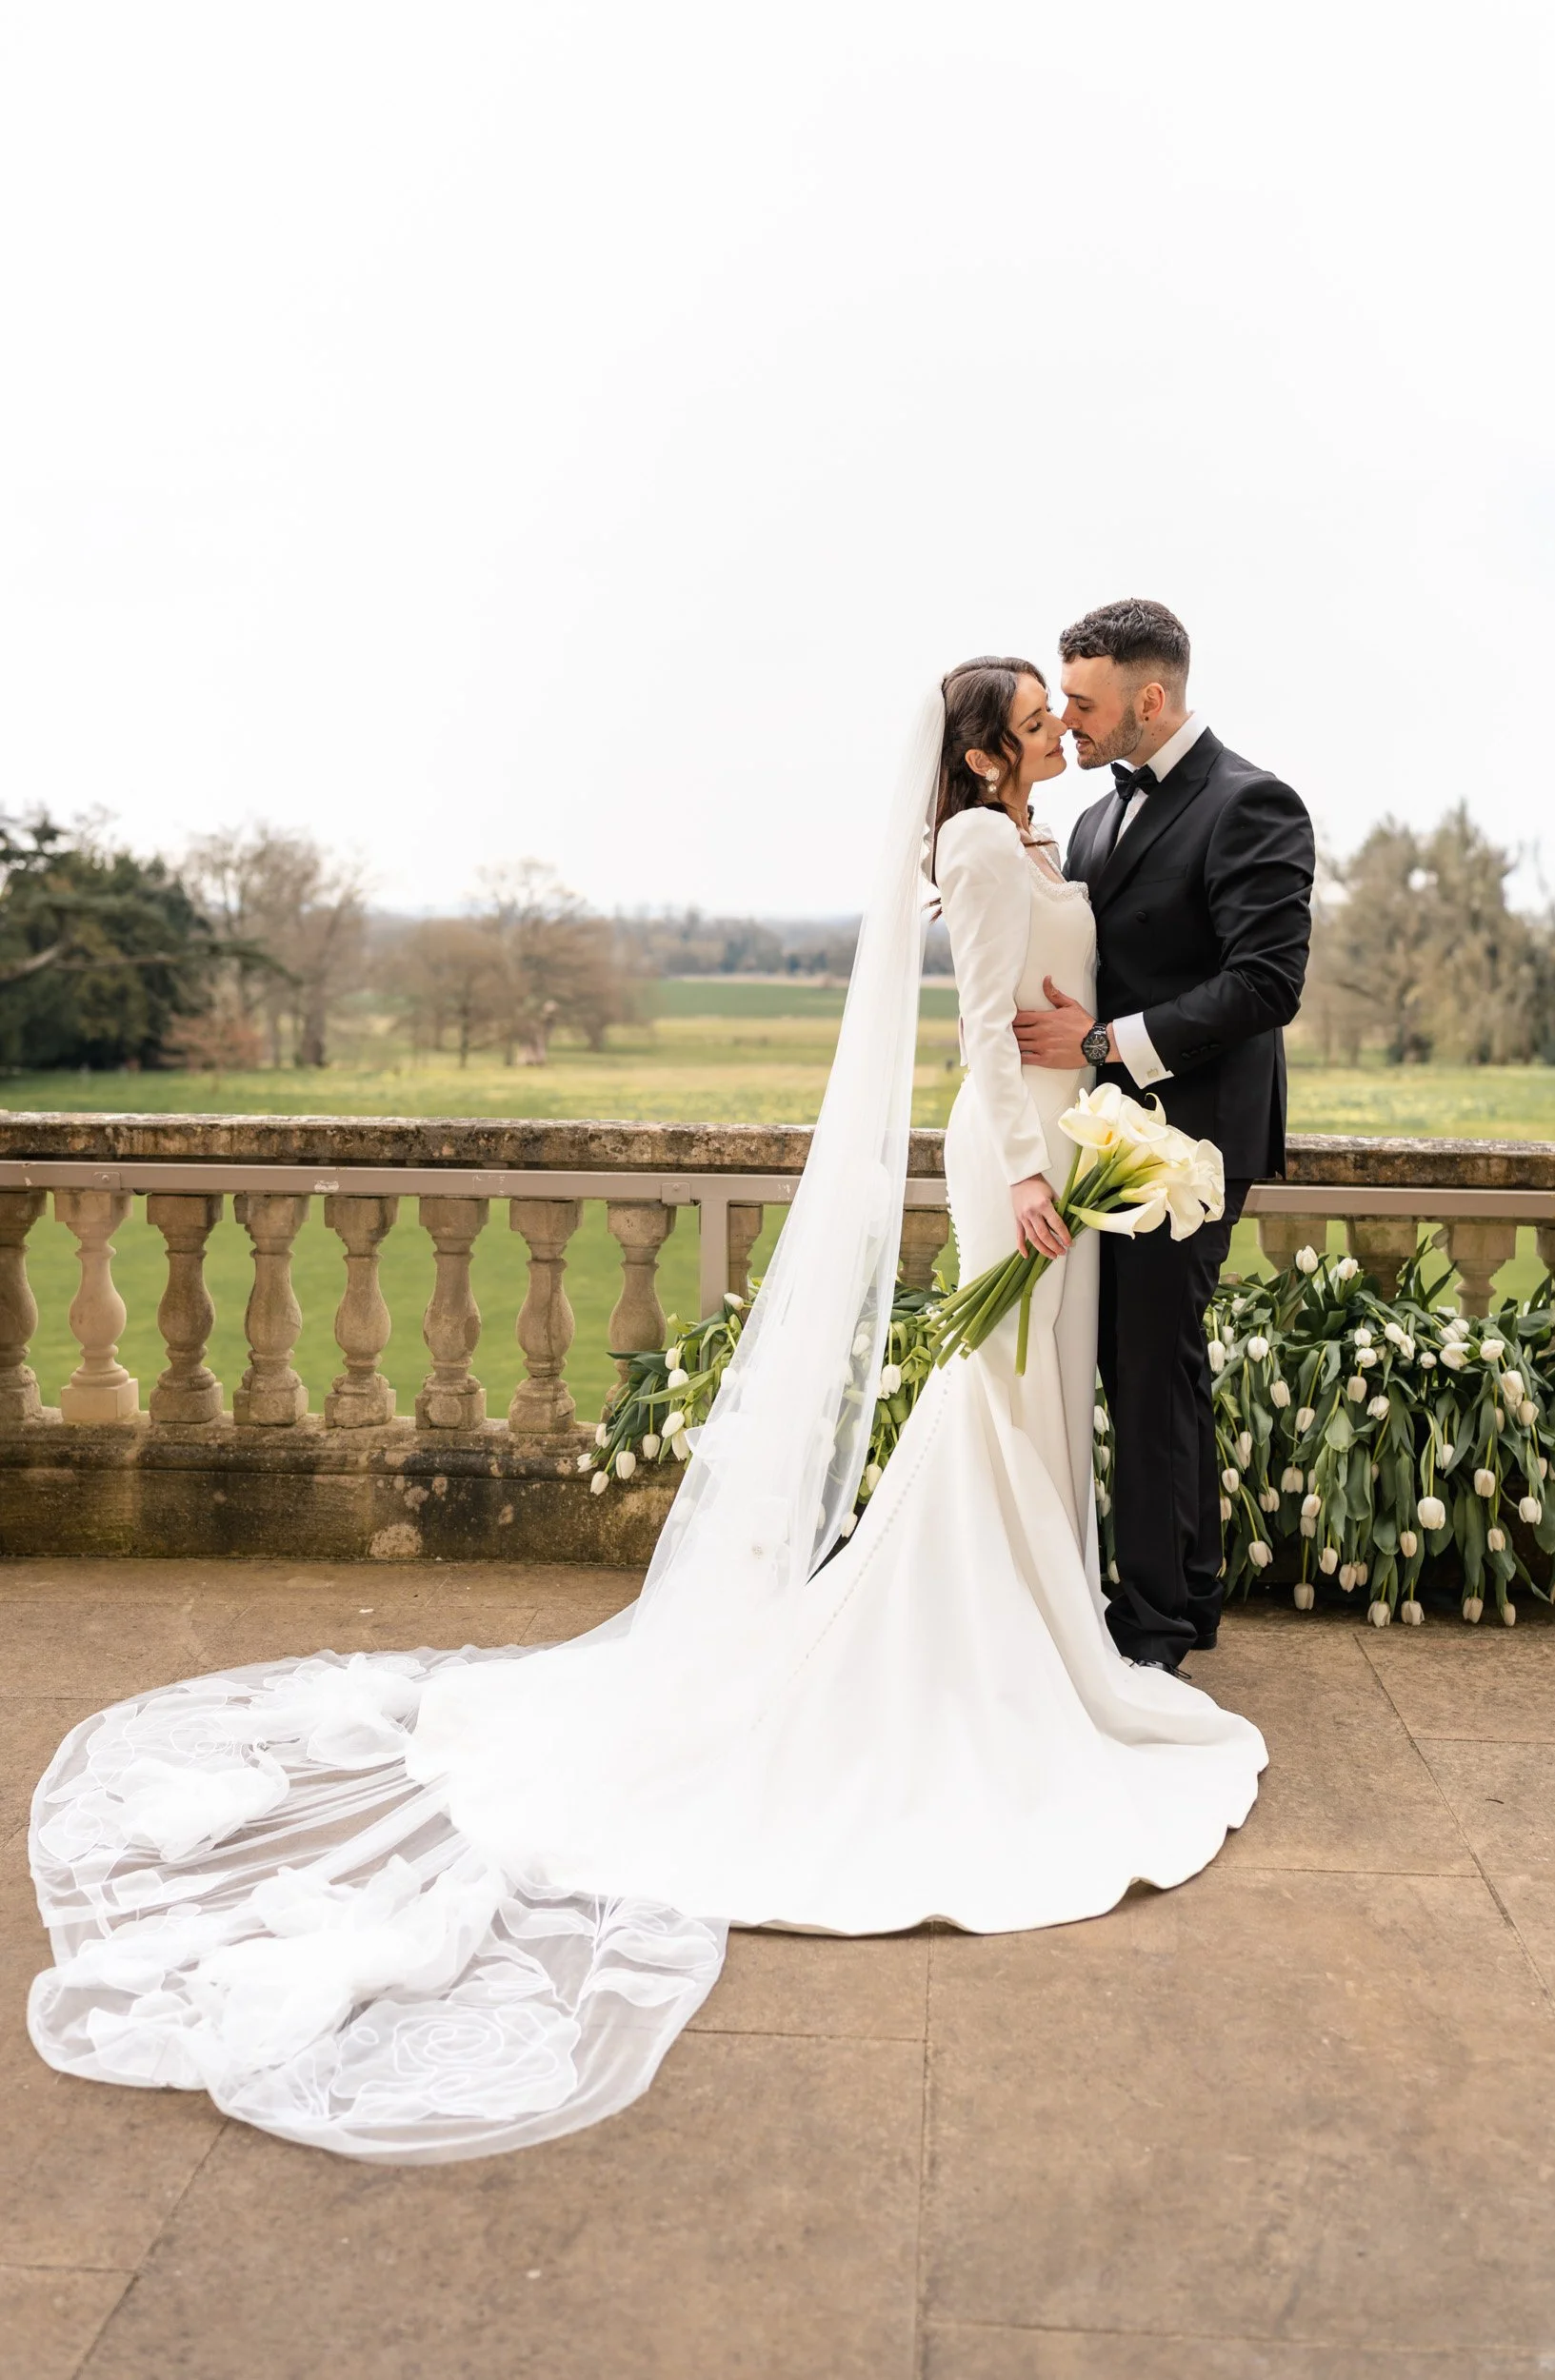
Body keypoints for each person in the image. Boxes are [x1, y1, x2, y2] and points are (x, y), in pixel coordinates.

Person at [27, 660, 1266, 2165]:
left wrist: (1086, 1080)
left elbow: (1056, 1001)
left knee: (1018, 1404)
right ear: (987, 747)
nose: (1059, 729)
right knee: (990, 1402)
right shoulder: (970, 846)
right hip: (1017, 1169)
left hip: (1058, 1147)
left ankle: (1026, 1618)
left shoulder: (1030, 841)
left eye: (1069, 709)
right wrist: (1022, 1169)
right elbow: (981, 1037)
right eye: (1037, 714)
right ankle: (981, 1636)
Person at [1014, 600, 1315, 1673]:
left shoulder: (1251, 802)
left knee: (1147, 1370)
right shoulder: (1096, 819)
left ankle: (1146, 1630)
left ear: (1151, 696)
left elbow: (1264, 983)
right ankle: (1182, 1595)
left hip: (1192, 1138)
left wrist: (1102, 1040)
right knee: (1142, 1366)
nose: (1068, 724)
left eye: (1084, 705)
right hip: (1104, 1139)